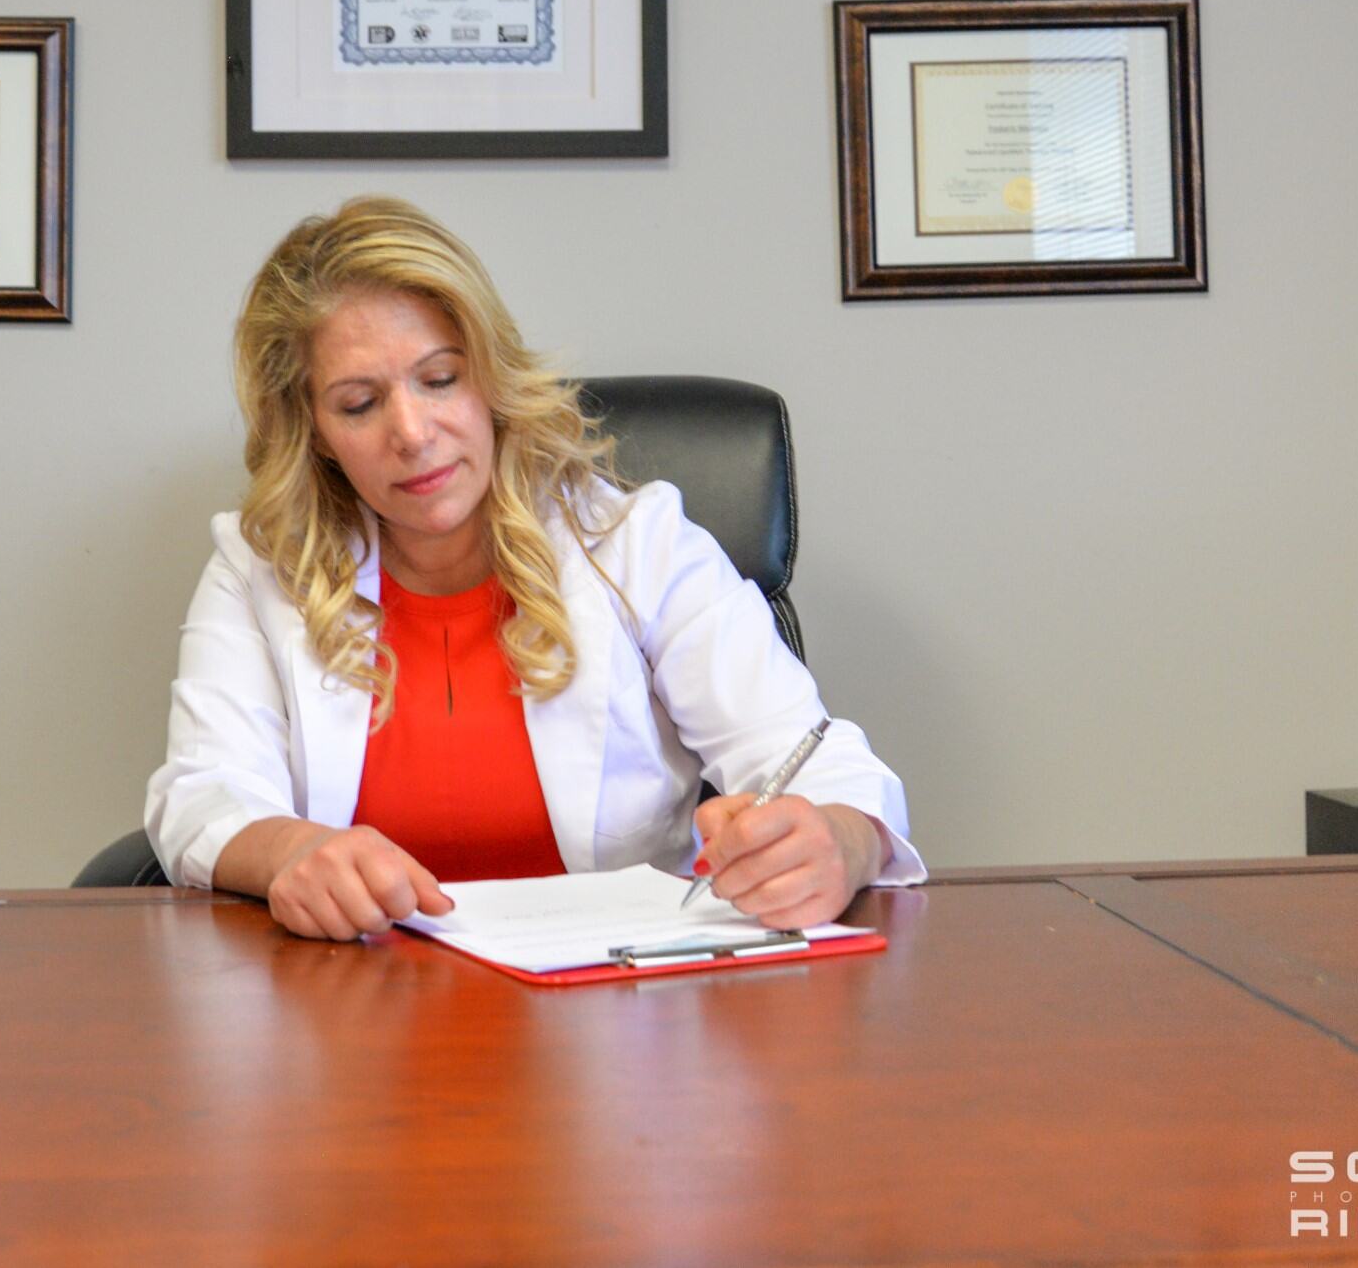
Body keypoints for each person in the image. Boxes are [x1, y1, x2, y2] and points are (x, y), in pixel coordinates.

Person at [145, 197, 925, 941]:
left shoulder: (635, 543)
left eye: (440, 379)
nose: (412, 432)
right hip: (359, 998)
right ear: (314, 428)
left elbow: (816, 758)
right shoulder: (259, 569)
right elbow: (200, 796)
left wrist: (840, 840)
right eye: (359, 404)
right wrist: (288, 849)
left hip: (620, 1001)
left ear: (491, 376)